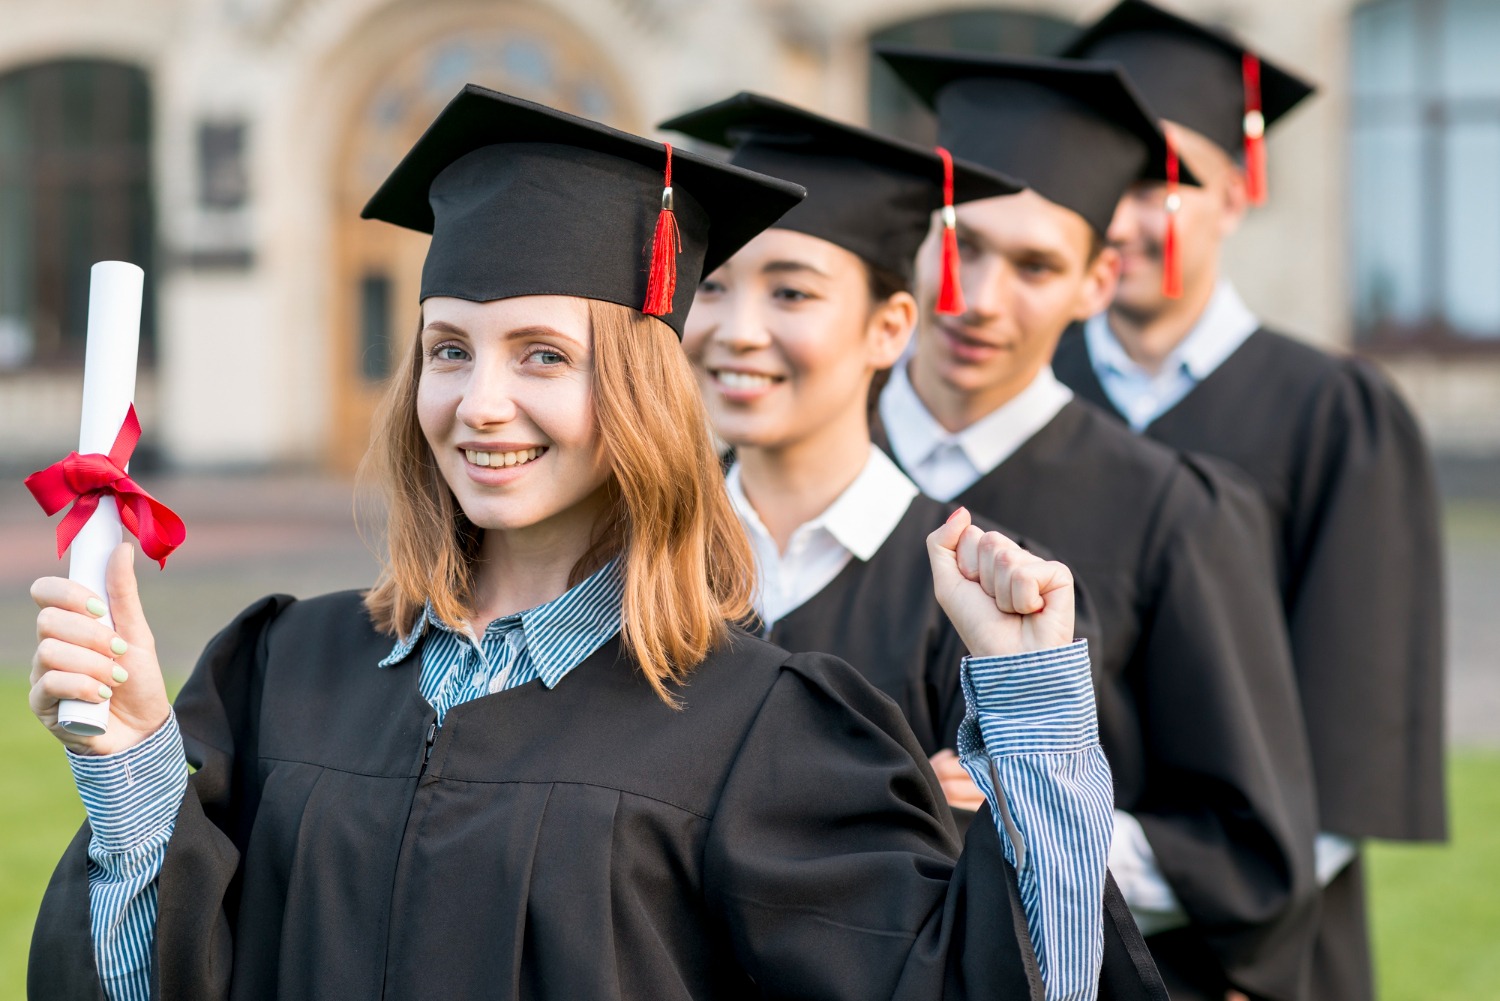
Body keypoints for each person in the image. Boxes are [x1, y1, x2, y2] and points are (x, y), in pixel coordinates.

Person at [25, 85, 1162, 1001]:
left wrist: (1029, 701)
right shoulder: (283, 672)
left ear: (643, 395)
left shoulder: (757, 729)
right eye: (450, 349)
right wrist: (129, 763)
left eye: (542, 355)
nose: (478, 403)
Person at [872, 48, 1322, 1001]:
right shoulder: (812, 472)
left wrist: (1033, 809)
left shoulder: (1176, 514)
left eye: (1036, 265)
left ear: (1098, 279)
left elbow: (1244, 852)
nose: (980, 300)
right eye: (965, 247)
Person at [1049, 5, 1447, 998]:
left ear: (1238, 192)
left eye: (1166, 179)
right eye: (1105, 177)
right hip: (1032, 939)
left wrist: (1228, 920)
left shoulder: (1332, 411)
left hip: (1251, 951)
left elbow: (1350, 740)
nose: (1128, 216)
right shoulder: (1029, 396)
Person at [660, 91, 1090, 810]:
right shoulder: (635, 556)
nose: (737, 330)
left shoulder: (984, 599)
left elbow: (1014, 884)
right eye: (711, 286)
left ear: (890, 328)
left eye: (791, 293)